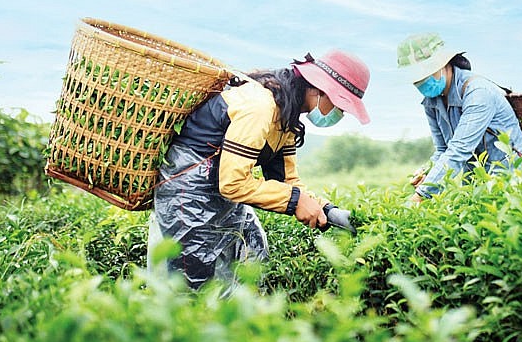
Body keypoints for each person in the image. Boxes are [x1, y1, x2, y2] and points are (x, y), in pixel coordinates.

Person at [149, 49, 370, 290]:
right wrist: (295, 202)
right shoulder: (260, 106)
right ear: (318, 89)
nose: (341, 113)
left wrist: (327, 209)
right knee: (192, 282)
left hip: (218, 191)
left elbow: (286, 181)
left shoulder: (286, 114)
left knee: (252, 251)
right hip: (188, 189)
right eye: (340, 105)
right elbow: (233, 183)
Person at [397, 33, 522, 203]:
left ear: (444, 63)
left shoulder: (477, 92)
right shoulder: (432, 103)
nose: (421, 81)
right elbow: (443, 150)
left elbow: (459, 149)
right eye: (416, 77)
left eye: (426, 72)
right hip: (484, 188)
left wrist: (421, 196)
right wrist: (428, 171)